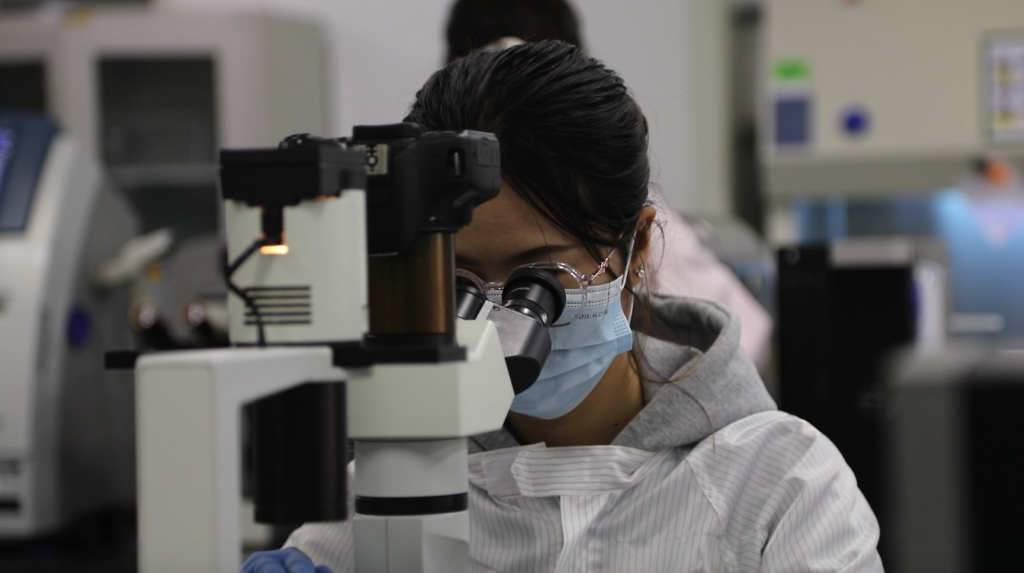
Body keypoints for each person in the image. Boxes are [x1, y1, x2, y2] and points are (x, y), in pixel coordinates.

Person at [242, 42, 882, 573]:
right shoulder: (389, 488)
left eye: (541, 279)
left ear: (636, 247)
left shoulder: (779, 487)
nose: (500, 320)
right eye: (459, 280)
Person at [444, 0, 774, 369]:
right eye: (457, 281)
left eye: (546, 274)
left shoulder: (635, 229)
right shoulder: (425, 209)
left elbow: (741, 350)